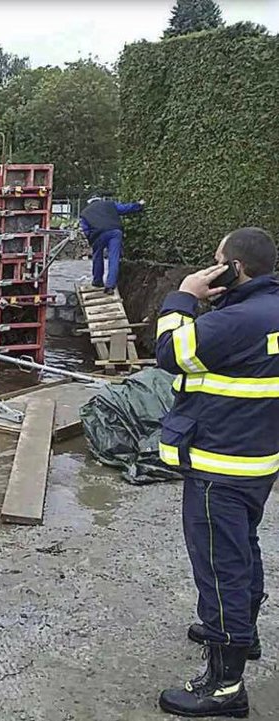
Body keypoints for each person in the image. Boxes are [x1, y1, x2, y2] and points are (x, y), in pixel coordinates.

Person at [154, 227, 279, 717]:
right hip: (257, 461)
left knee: (219, 565)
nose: (212, 265)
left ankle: (224, 688)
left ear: (235, 268)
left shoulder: (237, 321)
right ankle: (241, 639)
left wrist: (183, 297)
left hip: (219, 464)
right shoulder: (269, 312)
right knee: (241, 549)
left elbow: (170, 352)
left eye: (218, 260)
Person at [78, 196, 145, 294]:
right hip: (114, 232)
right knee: (113, 258)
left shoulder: (85, 213)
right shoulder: (109, 204)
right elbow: (124, 208)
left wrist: (92, 240)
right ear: (100, 200)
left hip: (98, 235)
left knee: (97, 257)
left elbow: (86, 230)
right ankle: (110, 286)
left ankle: (97, 281)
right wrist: (139, 205)